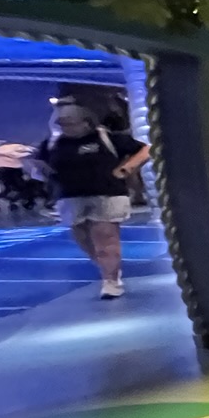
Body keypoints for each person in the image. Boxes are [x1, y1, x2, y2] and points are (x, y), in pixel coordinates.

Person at [35, 101, 150, 297]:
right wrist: (38, 170)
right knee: (82, 238)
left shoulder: (108, 138)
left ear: (86, 122)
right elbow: (38, 163)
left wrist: (127, 168)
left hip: (107, 194)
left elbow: (145, 150)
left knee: (105, 236)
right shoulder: (53, 143)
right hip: (70, 196)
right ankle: (108, 267)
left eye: (70, 123)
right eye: (62, 124)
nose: (66, 128)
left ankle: (111, 281)